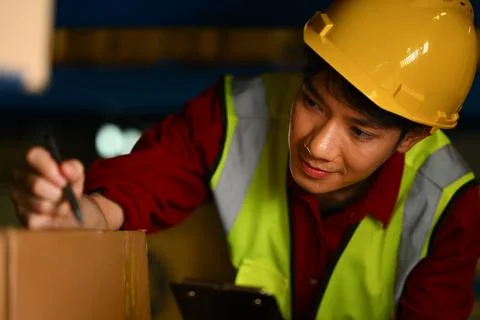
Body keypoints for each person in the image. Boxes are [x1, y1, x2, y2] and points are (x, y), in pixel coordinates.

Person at [10, 0, 480, 319]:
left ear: (412, 137)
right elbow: (142, 186)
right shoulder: (237, 114)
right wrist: (76, 215)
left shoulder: (448, 206)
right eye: (313, 103)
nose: (317, 146)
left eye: (359, 131)